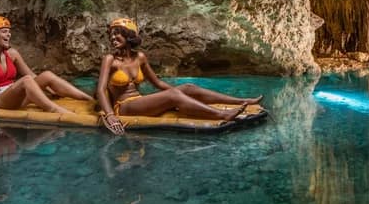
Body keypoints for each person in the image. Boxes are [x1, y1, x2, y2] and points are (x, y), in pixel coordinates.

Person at [96, 17, 262, 135]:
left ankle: (241, 101)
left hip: (139, 102)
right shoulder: (110, 60)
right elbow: (101, 90)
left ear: (128, 35)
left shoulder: (140, 57)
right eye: (111, 34)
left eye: (117, 33)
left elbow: (158, 83)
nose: (112, 37)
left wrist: (181, 93)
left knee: (188, 88)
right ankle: (222, 115)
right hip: (124, 107)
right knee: (174, 94)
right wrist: (110, 115)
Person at [0, 16, 94, 114]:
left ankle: (89, 99)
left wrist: (49, 89)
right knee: (26, 81)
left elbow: (31, 75)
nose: (9, 35)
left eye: (9, 31)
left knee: (46, 75)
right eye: (4, 31)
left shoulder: (12, 54)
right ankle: (56, 110)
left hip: (14, 98)